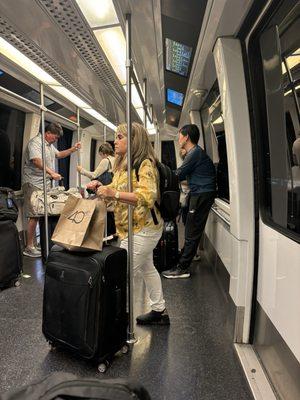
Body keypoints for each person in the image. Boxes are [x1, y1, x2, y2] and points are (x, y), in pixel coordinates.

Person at [87, 122, 170, 325]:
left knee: (120, 275)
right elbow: (115, 188)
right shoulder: (122, 164)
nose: (115, 142)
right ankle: (159, 310)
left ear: (134, 140)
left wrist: (113, 193)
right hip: (129, 228)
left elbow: (147, 196)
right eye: (116, 137)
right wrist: (101, 187)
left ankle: (115, 322)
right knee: (147, 268)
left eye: (120, 137)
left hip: (144, 228)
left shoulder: (144, 163)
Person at [162, 124, 216, 279]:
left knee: (192, 229)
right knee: (189, 222)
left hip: (202, 193)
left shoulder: (194, 154)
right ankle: (187, 254)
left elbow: (178, 173)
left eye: (180, 135)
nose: (179, 138)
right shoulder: (194, 153)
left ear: (186, 137)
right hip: (198, 192)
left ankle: (182, 268)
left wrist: (161, 174)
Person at [22, 122, 81, 257]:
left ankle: (41, 243)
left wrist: (73, 149)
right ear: (47, 133)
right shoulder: (35, 143)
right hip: (33, 183)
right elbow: (36, 161)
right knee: (34, 215)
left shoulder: (49, 145)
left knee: (43, 213)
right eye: (54, 137)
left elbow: (59, 154)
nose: (55, 140)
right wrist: (52, 173)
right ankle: (29, 246)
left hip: (44, 184)